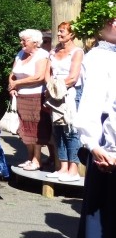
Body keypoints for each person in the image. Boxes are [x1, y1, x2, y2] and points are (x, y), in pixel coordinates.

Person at [71, 8, 116, 238]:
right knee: (101, 213)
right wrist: (95, 144)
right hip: (108, 149)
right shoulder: (101, 57)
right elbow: (94, 102)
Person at [44, 21, 83, 182]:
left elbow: (73, 77)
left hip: (69, 94)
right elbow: (48, 73)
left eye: (62, 32)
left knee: (71, 131)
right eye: (58, 31)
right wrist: (50, 88)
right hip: (54, 93)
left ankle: (73, 170)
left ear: (71, 34)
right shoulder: (53, 51)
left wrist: (56, 88)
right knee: (57, 131)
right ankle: (63, 167)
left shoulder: (77, 52)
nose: (59, 34)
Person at [8, 29, 50, 171]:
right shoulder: (20, 54)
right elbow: (12, 74)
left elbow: (39, 77)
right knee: (25, 128)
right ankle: (30, 157)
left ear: (35, 42)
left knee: (36, 128)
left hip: (36, 95)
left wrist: (18, 83)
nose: (21, 43)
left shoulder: (43, 55)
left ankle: (37, 160)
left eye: (24, 40)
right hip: (21, 96)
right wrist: (12, 86)